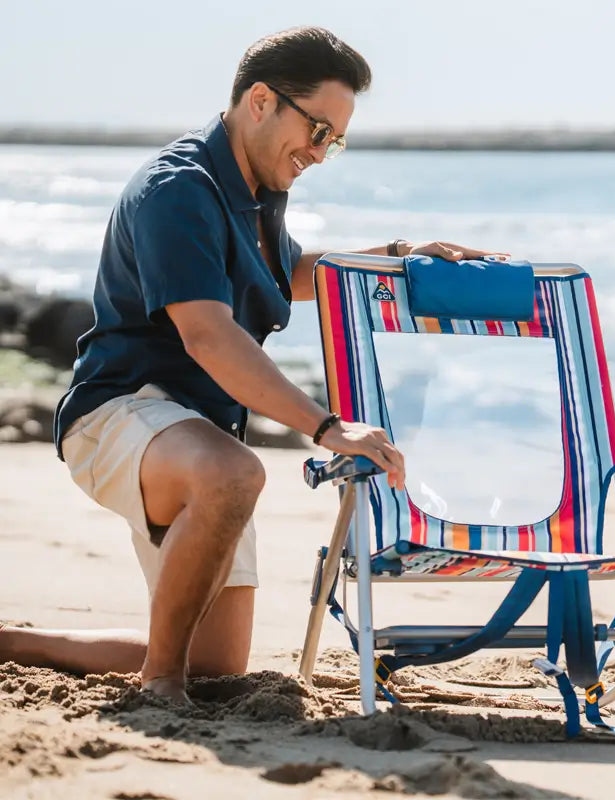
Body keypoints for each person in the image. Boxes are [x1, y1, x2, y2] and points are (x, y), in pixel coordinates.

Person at [0, 26, 500, 703]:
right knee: (236, 473)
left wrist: (399, 256)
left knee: (220, 667)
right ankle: (160, 689)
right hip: (118, 412)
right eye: (318, 130)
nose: (322, 154)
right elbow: (209, 337)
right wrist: (327, 427)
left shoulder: (258, 186)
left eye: (335, 139)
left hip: (194, 424)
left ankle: (13, 646)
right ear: (260, 101)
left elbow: (286, 272)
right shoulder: (178, 189)